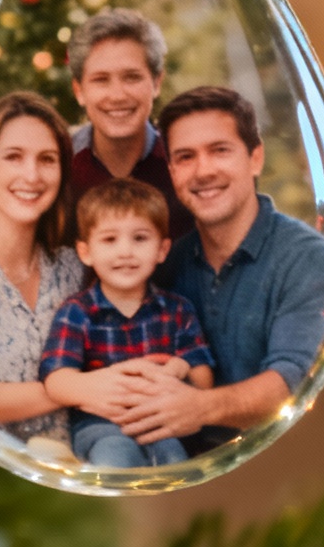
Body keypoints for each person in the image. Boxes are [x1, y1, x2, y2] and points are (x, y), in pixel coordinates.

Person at [0, 91, 181, 447]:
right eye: (13, 157)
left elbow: (115, 350)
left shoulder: (72, 266)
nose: (32, 175)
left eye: (47, 159)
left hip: (85, 467)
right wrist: (77, 389)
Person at [109, 85, 324, 454]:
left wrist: (199, 409)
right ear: (172, 171)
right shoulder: (167, 264)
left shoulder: (305, 257)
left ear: (255, 158)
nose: (203, 171)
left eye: (219, 150)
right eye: (185, 157)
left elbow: (293, 383)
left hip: (287, 463)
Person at [40, 178, 214, 468]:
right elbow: (56, 381)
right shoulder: (77, 312)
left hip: (161, 421)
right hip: (98, 425)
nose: (125, 252)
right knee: (115, 454)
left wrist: (180, 370)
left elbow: (203, 381)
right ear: (86, 251)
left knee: (173, 456)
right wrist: (91, 389)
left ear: (161, 249)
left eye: (140, 238)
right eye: (109, 239)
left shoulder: (177, 310)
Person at [66, 9, 194, 241]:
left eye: (132, 77)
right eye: (101, 80)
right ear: (79, 91)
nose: (117, 95)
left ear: (156, 83)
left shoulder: (184, 164)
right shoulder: (59, 166)